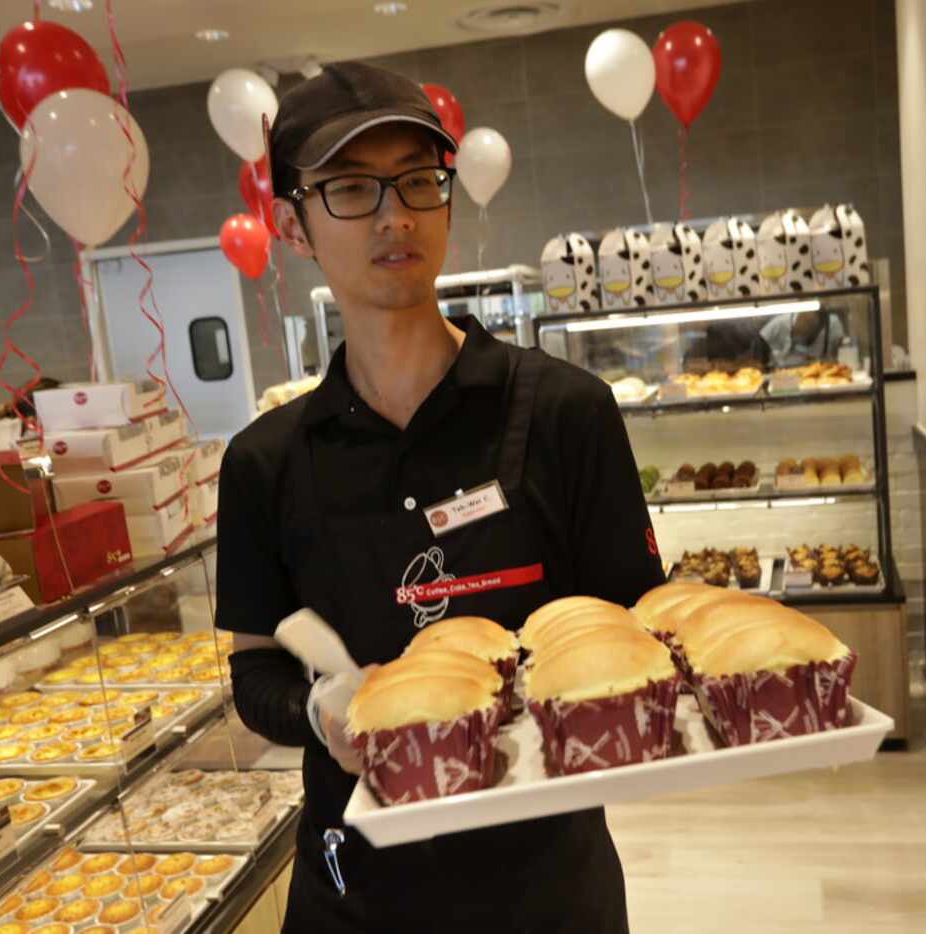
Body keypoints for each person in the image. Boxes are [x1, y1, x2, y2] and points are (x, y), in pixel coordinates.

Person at [214, 62, 665, 933]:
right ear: (290, 224)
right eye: (350, 188)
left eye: (419, 181)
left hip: (547, 879)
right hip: (358, 889)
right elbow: (256, 669)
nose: (395, 214)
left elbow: (634, 621)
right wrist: (318, 712)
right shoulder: (267, 460)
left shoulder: (568, 411)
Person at [759, 307, 850, 369]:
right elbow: (760, 341)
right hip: (783, 374)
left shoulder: (833, 324)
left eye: (807, 338)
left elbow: (841, 353)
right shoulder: (780, 323)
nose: (804, 342)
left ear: (818, 329)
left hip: (820, 375)